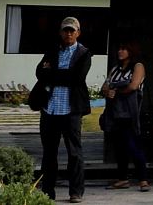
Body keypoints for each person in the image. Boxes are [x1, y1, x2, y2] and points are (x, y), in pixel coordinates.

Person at [35, 16, 92, 203]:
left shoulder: (84, 53)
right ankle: (47, 192)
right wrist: (59, 74)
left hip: (71, 110)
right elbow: (39, 72)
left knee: (74, 153)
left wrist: (52, 74)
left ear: (78, 33)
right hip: (50, 109)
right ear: (61, 32)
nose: (68, 33)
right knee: (49, 153)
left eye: (72, 30)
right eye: (66, 30)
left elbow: (76, 78)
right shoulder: (52, 49)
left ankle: (76, 192)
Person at [102, 41, 149, 191]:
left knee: (134, 145)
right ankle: (122, 178)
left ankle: (143, 179)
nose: (120, 52)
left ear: (131, 51)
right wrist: (107, 91)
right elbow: (105, 85)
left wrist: (117, 91)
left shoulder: (138, 66)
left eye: (124, 49)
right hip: (116, 113)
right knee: (119, 147)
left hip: (132, 112)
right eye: (119, 49)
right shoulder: (115, 68)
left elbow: (134, 86)